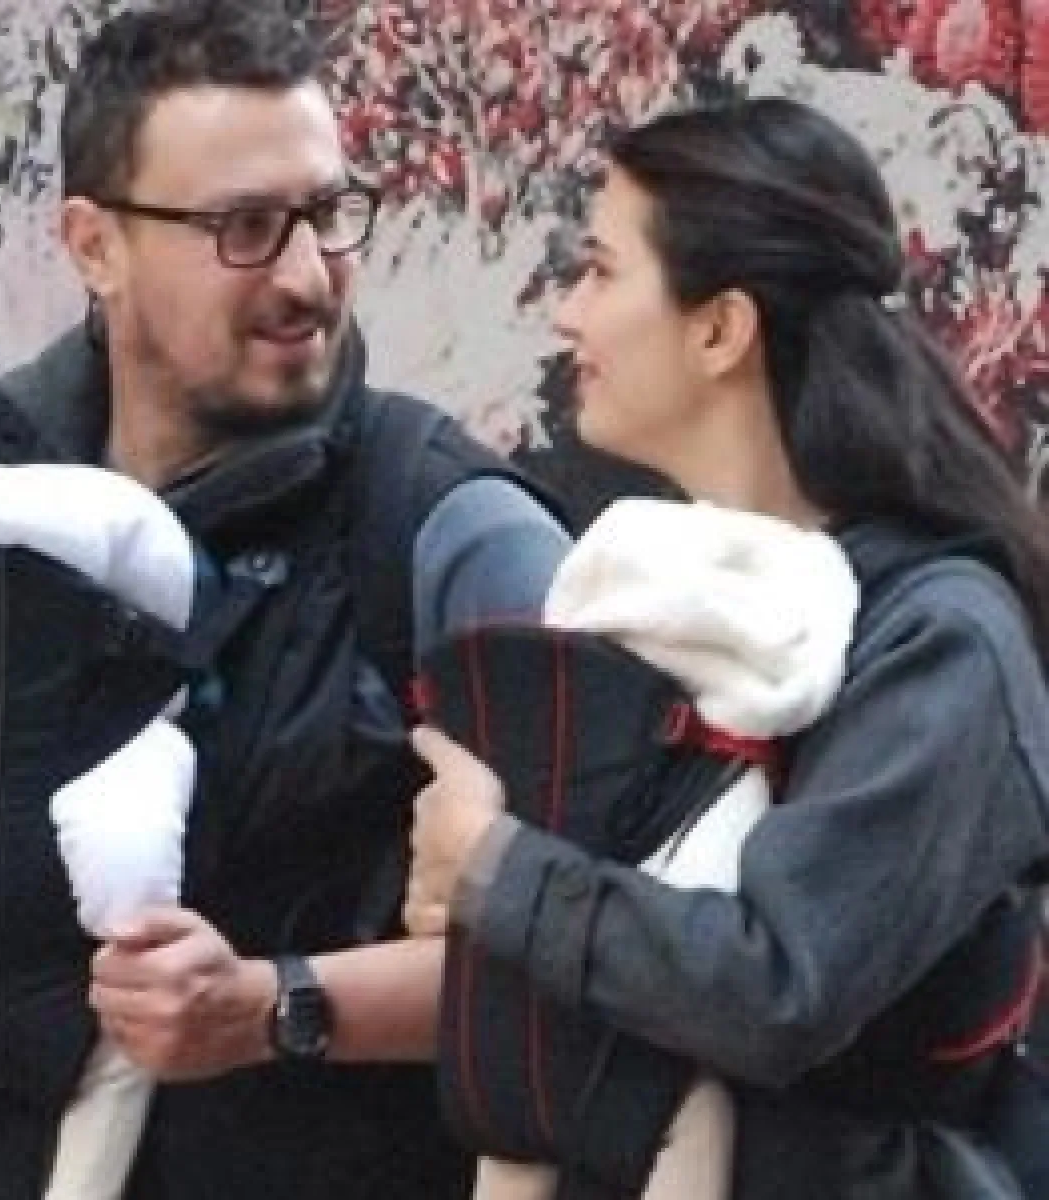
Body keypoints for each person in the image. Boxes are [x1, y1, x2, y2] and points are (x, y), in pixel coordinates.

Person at [0, 2, 569, 1197]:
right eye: (247, 228)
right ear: (94, 245)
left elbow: (603, 964)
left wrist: (279, 1007)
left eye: (329, 214)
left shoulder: (451, 529)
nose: (307, 275)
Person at [405, 96, 1049, 1199]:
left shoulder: (942, 641)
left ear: (720, 330)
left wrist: (496, 869)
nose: (567, 313)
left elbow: (779, 988)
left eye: (600, 271)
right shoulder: (670, 590)